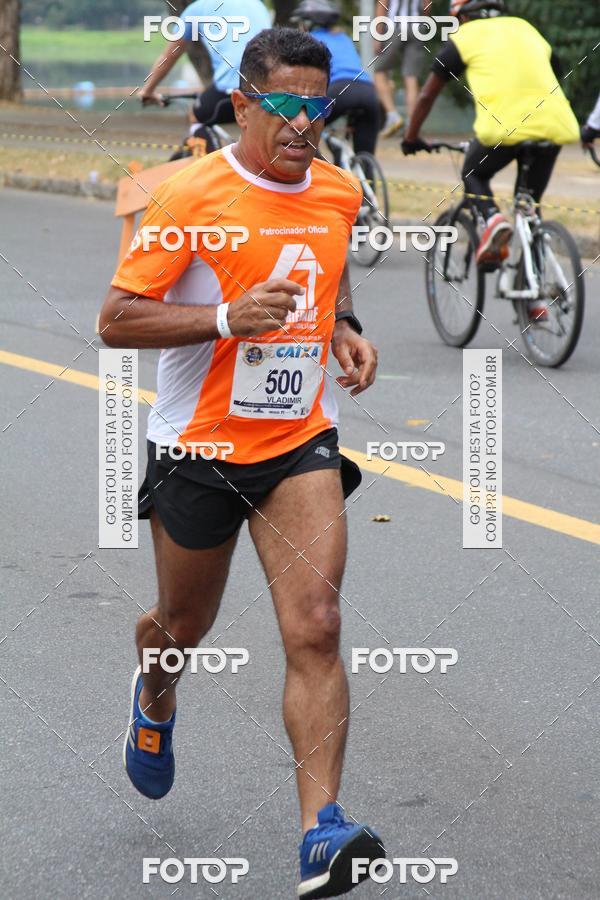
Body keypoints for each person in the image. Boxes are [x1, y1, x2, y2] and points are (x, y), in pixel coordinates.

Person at [100, 26, 383, 900]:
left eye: (321, 105)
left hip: (300, 440)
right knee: (182, 629)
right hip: (201, 447)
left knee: (317, 625)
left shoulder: (339, 191)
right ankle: (154, 697)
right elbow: (117, 319)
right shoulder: (187, 194)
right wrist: (227, 320)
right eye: (289, 106)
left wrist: (343, 326)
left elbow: (324, 270)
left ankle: (320, 834)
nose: (307, 124)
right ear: (247, 102)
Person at [402, 0, 579, 285]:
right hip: (554, 124)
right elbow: (555, 72)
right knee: (529, 207)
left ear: (462, 16)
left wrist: (411, 138)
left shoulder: (464, 38)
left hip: (504, 129)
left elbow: (426, 96)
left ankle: (493, 219)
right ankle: (532, 297)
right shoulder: (526, 29)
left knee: (473, 173)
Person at [138, 0, 271, 150]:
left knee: (196, 117)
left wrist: (147, 91)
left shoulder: (197, 9)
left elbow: (168, 58)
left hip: (234, 85)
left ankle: (212, 166)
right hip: (271, 85)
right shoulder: (257, 4)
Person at [291, 0, 380, 156]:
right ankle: (366, 174)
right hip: (369, 91)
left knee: (304, 131)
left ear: (307, 23)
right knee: (365, 154)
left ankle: (323, 173)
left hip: (340, 89)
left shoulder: (309, 40)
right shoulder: (343, 37)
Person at [374, 0, 429, 137]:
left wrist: (378, 35)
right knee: (411, 77)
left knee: (379, 72)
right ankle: (412, 125)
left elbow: (382, 5)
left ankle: (393, 116)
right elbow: (427, 5)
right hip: (416, 28)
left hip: (395, 26)